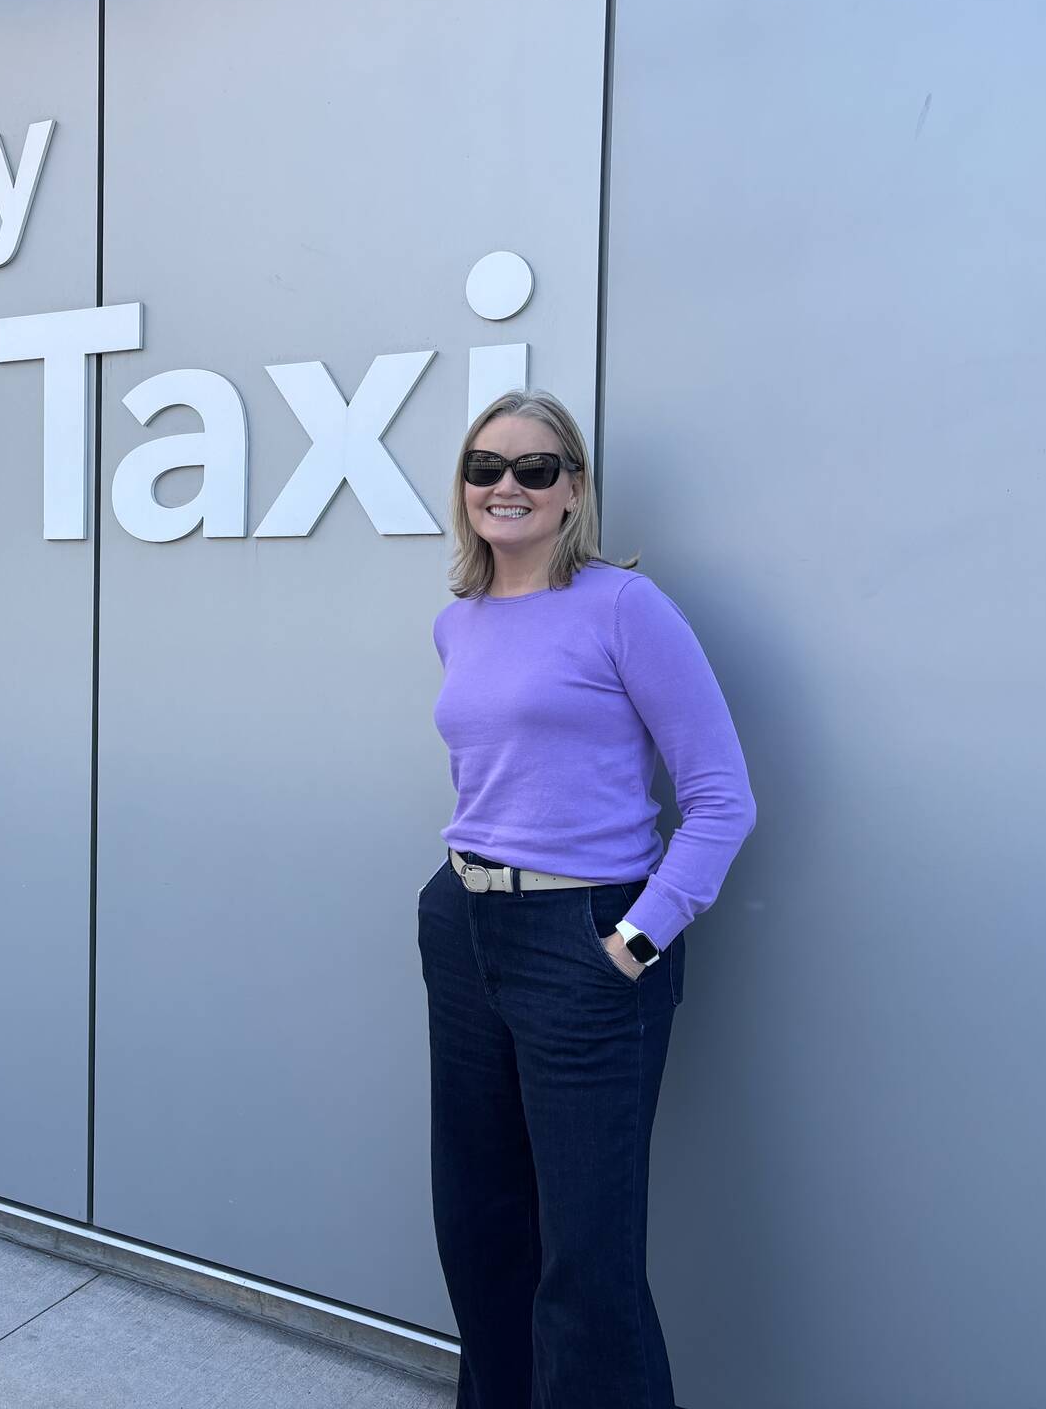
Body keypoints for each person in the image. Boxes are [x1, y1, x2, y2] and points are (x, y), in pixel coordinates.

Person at [419, 390, 755, 1408]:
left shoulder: (621, 606)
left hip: (586, 938)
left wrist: (637, 942)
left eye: (533, 467)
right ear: (464, 487)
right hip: (463, 924)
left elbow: (719, 799)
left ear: (572, 490)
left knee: (586, 1259)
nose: (505, 487)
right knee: (479, 1228)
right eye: (485, 467)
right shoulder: (457, 621)